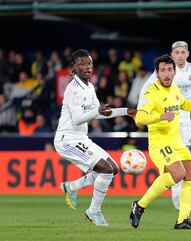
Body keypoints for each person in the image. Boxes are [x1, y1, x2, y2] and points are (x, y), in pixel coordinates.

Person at [130, 54, 191, 230]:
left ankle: (182, 220)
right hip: (159, 143)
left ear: (175, 72)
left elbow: (190, 105)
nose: (167, 74)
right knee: (178, 174)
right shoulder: (150, 93)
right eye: (163, 70)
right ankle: (139, 206)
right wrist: (161, 116)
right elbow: (139, 118)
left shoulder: (175, 90)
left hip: (177, 142)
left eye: (170, 70)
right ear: (157, 73)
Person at [54, 49, 136, 226]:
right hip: (67, 140)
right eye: (82, 63)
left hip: (80, 138)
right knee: (105, 170)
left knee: (113, 169)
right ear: (73, 68)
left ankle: (72, 187)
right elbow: (78, 118)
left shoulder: (90, 87)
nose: (87, 66)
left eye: (89, 63)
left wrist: (125, 111)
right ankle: (93, 212)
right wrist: (96, 110)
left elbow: (100, 113)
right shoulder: (73, 89)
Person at [138, 41, 191, 210]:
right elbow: (145, 89)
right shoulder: (163, 71)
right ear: (172, 54)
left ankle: (184, 197)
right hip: (167, 121)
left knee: (185, 160)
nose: (180, 55)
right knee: (175, 164)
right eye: (177, 53)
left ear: (188, 54)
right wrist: (142, 109)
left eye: (183, 52)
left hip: (185, 119)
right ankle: (176, 196)